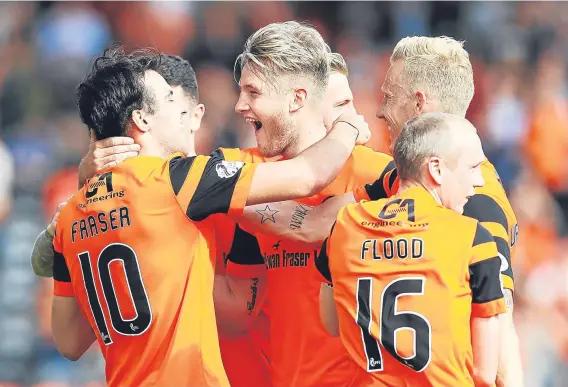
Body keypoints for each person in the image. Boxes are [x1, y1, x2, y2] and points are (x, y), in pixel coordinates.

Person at [30, 50, 366, 387]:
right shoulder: (174, 180)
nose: (183, 109)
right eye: (167, 97)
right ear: (142, 120)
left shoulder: (69, 214)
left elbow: (69, 342)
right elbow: (311, 173)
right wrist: (348, 122)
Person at [227, 35, 523, 387]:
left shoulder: (478, 205)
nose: (379, 111)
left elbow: (502, 341)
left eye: (389, 96)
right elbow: (313, 222)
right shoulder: (403, 181)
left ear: (418, 104)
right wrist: (224, 193)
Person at [316, 112, 506, 387]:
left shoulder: (345, 226)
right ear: (436, 169)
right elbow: (485, 374)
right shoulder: (473, 238)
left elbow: (332, 324)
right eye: (473, 167)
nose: (478, 181)